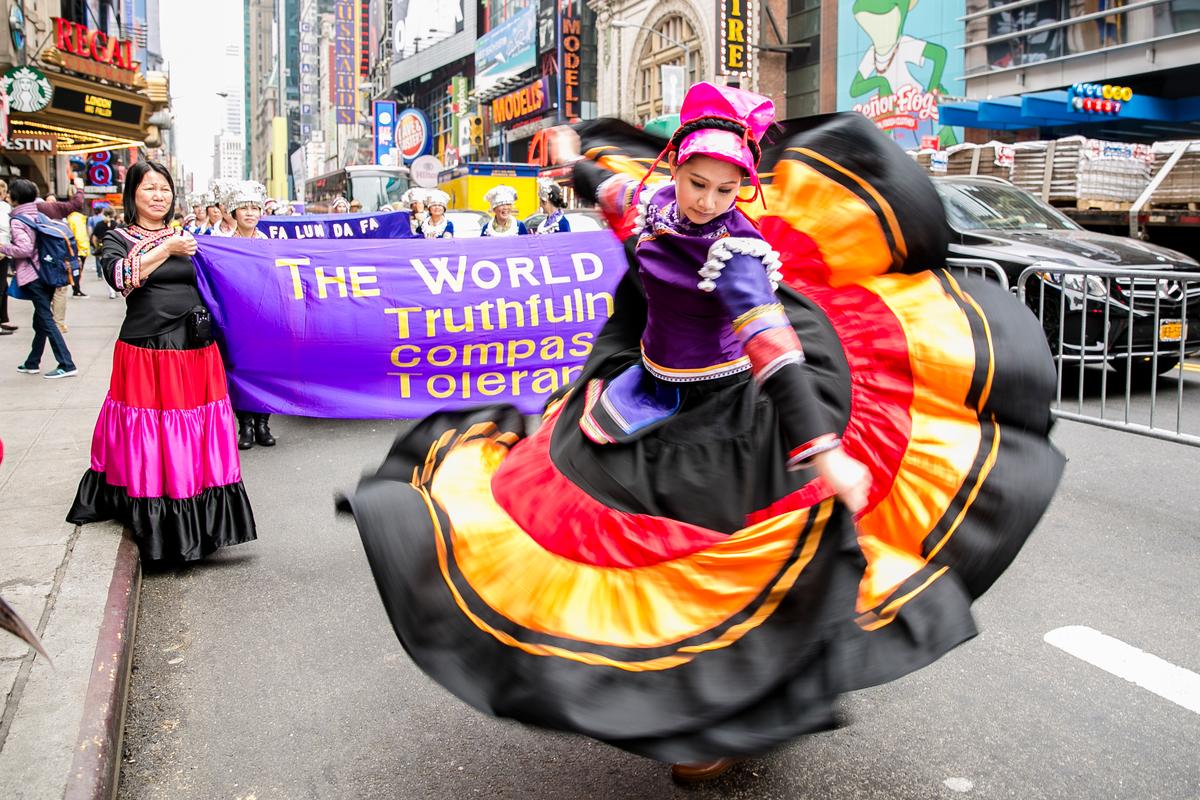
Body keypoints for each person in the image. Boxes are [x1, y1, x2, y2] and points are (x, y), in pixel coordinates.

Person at [340, 82, 1064, 784]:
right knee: (582, 529)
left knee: (723, 571)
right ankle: (680, 715)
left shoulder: (739, 257)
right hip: (645, 396)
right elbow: (612, 192)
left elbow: (774, 349)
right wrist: (577, 159)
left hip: (730, 418)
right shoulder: (649, 207)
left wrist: (825, 450)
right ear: (676, 170)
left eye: (726, 190)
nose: (710, 202)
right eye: (699, 184)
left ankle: (713, 730)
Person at [67, 160, 257, 563]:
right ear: (133, 193)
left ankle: (198, 509)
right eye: (150, 188)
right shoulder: (119, 237)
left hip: (195, 348)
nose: (159, 195)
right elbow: (119, 278)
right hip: (146, 348)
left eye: (165, 189)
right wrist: (164, 249)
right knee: (151, 428)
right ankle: (158, 515)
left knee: (194, 426)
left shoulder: (188, 237)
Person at [1, 179, 77, 378]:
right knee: (41, 321)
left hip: (34, 276)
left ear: (15, 198)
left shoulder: (18, 219)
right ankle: (32, 362)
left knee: (46, 320)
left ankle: (66, 364)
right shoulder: (38, 214)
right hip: (49, 272)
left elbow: (24, 248)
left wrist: (2, 247)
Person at [222, 180, 277, 451]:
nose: (250, 213)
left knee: (266, 370)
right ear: (234, 213)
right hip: (236, 319)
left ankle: (263, 423)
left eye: (255, 208)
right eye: (244, 208)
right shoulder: (222, 246)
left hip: (264, 317)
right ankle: (244, 425)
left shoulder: (271, 245)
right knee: (239, 370)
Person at [91, 207, 117, 299]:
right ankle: (115, 288)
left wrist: (96, 246)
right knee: (115, 268)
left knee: (105, 268)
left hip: (102, 248)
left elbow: (94, 238)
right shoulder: (116, 224)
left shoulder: (99, 224)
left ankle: (111, 291)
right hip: (116, 249)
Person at [0, 180, 15, 336]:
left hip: (4, 251)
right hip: (3, 250)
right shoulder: (4, 208)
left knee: (3, 286)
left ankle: (3, 319)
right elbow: (6, 229)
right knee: (1, 286)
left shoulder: (5, 207)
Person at [67, 208, 90, 296]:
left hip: (75, 249)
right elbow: (80, 237)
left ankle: (76, 288)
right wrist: (84, 250)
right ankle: (76, 289)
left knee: (76, 270)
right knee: (77, 270)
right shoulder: (77, 220)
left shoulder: (73, 218)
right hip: (79, 250)